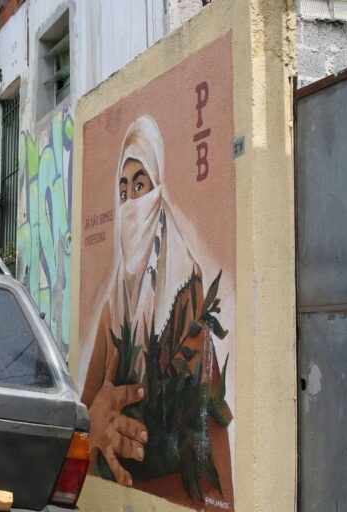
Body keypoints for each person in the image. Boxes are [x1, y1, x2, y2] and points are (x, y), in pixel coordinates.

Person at [81, 116, 230, 494]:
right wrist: (96, 424)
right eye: (123, 191)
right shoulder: (115, 303)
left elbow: (202, 430)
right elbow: (84, 414)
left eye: (140, 185)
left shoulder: (185, 294)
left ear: (158, 191)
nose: (131, 202)